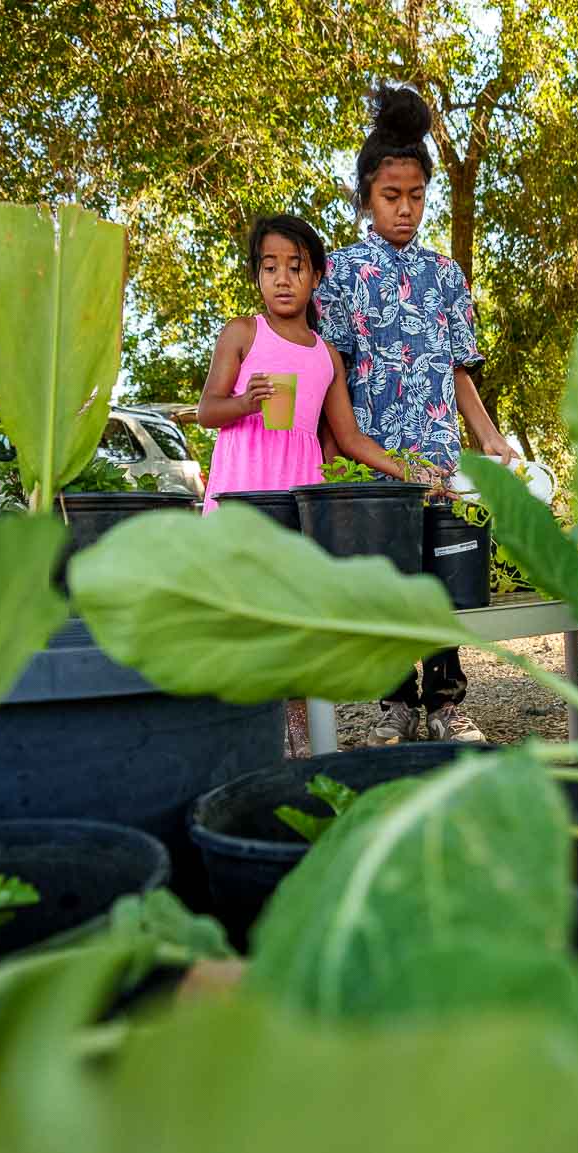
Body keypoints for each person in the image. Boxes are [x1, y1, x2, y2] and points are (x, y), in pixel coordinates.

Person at [315, 85, 522, 746]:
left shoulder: (447, 273)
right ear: (366, 198)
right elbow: (334, 369)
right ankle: (394, 706)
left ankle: (447, 705)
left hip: (440, 454)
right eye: (390, 197)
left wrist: (489, 439)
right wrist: (333, 445)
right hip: (375, 458)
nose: (404, 210)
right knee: (386, 580)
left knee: (443, 578)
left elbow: (460, 368)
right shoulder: (341, 274)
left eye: (415, 197)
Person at [199, 213, 436, 756]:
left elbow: (350, 438)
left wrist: (417, 473)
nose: (282, 279)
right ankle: (239, 748)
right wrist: (243, 402)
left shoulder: (325, 356)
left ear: (316, 278)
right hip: (243, 496)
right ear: (256, 277)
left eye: (295, 267)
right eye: (270, 267)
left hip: (298, 502)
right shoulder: (242, 333)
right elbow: (209, 409)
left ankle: (303, 749)